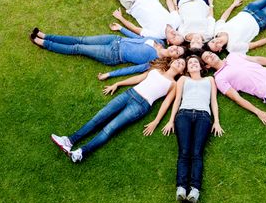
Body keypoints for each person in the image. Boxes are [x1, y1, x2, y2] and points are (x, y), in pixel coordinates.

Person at [50, 58, 186, 162]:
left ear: (181, 72)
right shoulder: (155, 70)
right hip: (129, 94)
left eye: (182, 64)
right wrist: (118, 83)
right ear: (172, 61)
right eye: (178, 60)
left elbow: (166, 103)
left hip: (140, 106)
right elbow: (138, 78)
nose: (179, 63)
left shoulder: (174, 84)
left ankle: (80, 153)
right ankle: (68, 141)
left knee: (110, 128)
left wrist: (156, 121)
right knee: (98, 118)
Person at [162, 56, 224, 203]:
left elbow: (214, 101)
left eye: (196, 62)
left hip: (204, 116)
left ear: (201, 67)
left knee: (197, 153)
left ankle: (195, 189)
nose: (193, 64)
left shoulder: (210, 80)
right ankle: (181, 188)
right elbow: (177, 100)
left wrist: (217, 121)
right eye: (190, 63)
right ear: (187, 69)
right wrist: (171, 121)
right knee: (184, 152)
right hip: (184, 115)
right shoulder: (183, 79)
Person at [29, 26, 185, 80]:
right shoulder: (159, 41)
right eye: (177, 47)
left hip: (112, 54)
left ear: (173, 58)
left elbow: (132, 70)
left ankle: (45, 44)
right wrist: (121, 29)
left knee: (78, 48)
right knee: (81, 39)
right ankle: (45, 35)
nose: (174, 49)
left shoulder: (155, 63)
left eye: (177, 53)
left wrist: (110, 75)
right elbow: (138, 37)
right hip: (115, 39)